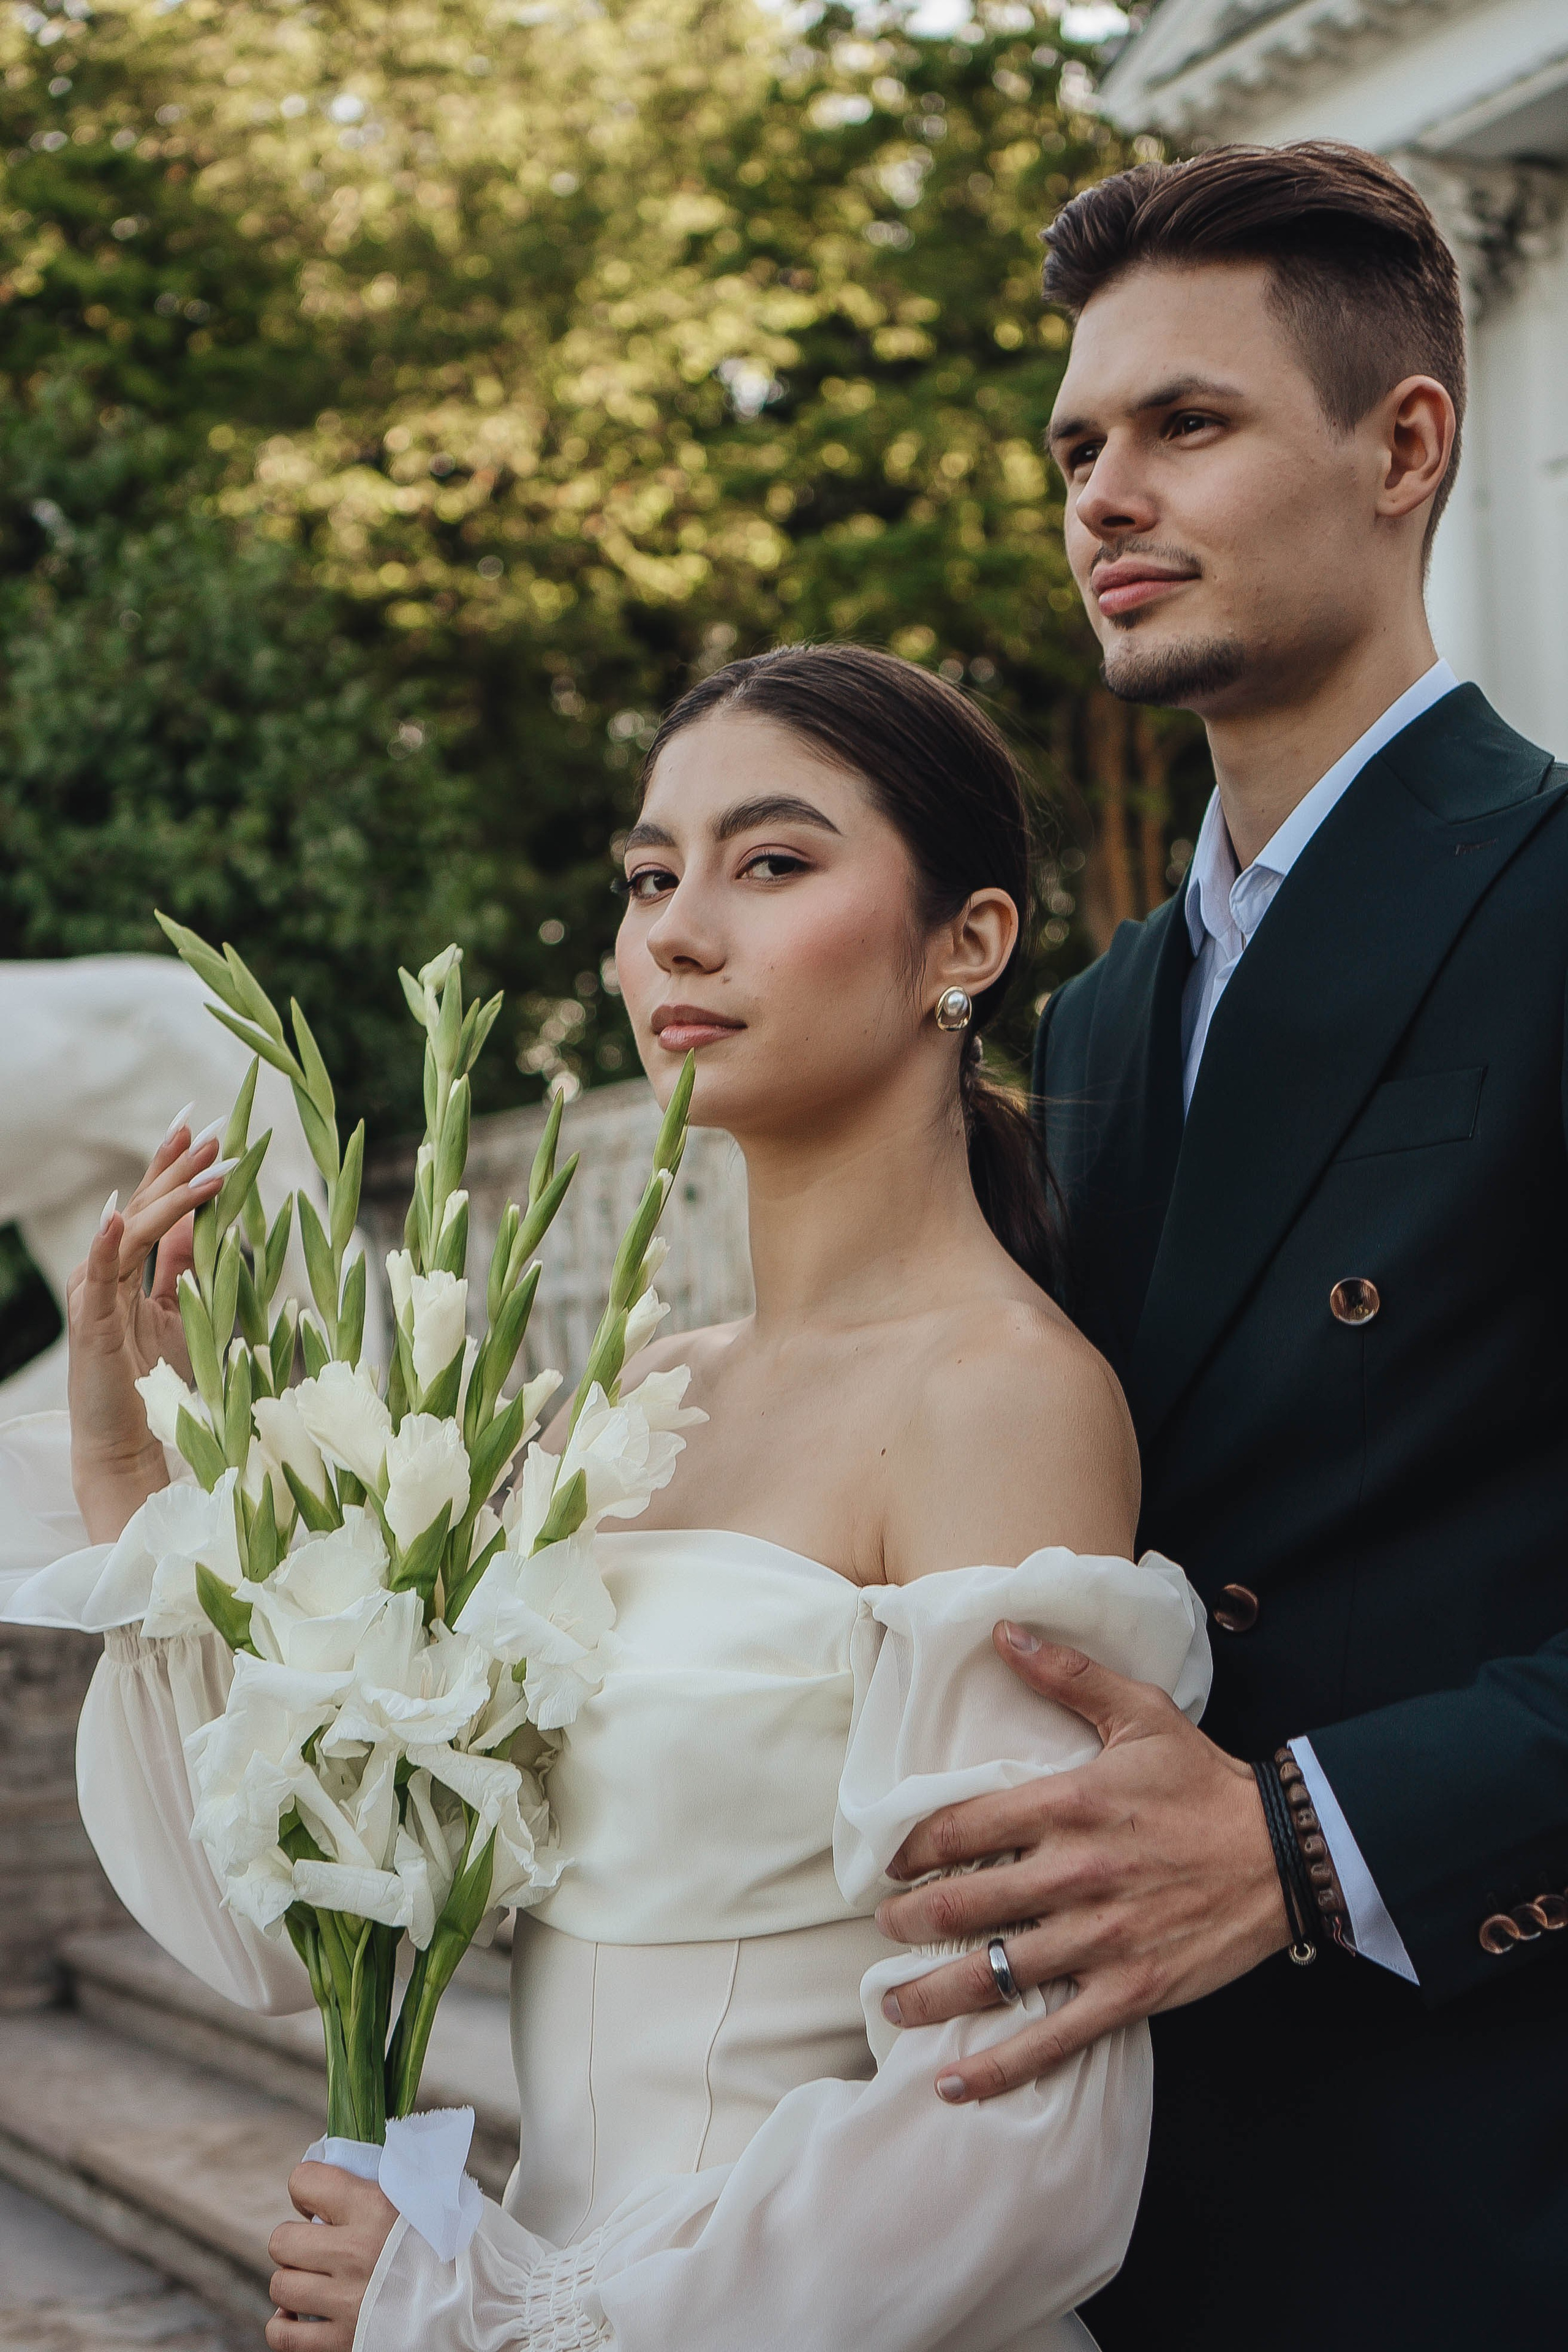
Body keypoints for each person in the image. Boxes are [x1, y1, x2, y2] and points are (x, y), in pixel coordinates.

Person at [0, 643, 1212, 2351]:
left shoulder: (1000, 1400)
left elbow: (1020, 2135)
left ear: (972, 942)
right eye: (651, 877)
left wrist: (505, 2313)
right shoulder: (635, 1399)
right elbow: (295, 1935)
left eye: (772, 863)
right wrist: (138, 1468)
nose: (678, 932)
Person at [872, 141, 1568, 2346]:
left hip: (1497, 2175)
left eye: (1187, 424)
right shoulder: (1093, 1013)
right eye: (1079, 443)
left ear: (1406, 444)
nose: (1102, 492)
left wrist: (1312, 1836)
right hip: (1136, 2205)